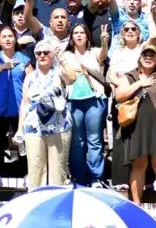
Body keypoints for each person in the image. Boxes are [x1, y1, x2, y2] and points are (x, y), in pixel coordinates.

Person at [112, 23, 156, 218]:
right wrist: (139, 84)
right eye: (145, 55)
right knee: (139, 165)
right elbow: (119, 95)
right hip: (137, 127)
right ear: (140, 59)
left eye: (152, 55)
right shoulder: (131, 76)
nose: (149, 58)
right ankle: (136, 205)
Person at [17, 40, 73, 191]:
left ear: (51, 55)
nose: (42, 55)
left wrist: (60, 59)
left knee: (58, 171)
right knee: (35, 170)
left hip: (59, 126)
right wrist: (19, 128)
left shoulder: (59, 73)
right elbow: (25, 103)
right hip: (34, 126)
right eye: (38, 53)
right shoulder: (30, 77)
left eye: (46, 53)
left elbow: (71, 78)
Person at [59, 23, 109, 188]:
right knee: (77, 142)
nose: (79, 35)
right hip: (73, 100)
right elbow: (66, 77)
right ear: (71, 36)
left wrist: (103, 42)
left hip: (95, 98)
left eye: (82, 32)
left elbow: (102, 55)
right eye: (76, 33)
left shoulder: (94, 52)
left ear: (87, 36)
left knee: (94, 139)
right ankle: (79, 178)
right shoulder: (66, 55)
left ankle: (96, 177)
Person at [0, 26, 32, 188]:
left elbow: (32, 81)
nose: (8, 39)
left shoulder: (24, 59)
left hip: (19, 109)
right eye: (4, 37)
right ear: (0, 41)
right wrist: (3, 67)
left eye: (11, 36)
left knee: (23, 143)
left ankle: (27, 174)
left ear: (15, 39)